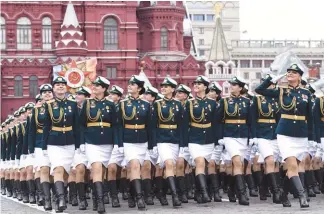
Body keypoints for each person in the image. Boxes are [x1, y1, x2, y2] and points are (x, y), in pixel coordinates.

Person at [255, 63, 311, 208]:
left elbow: (311, 117)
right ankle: (302, 196)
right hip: (284, 133)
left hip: (301, 134)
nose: (290, 74)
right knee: (292, 165)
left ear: (299, 76)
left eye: (293, 72)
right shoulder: (280, 91)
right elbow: (259, 90)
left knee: (293, 169)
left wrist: (312, 138)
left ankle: (284, 194)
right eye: (288, 72)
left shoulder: (307, 93)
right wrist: (271, 80)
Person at [79, 76, 117, 214]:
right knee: (96, 168)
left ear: (104, 89)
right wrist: (82, 142)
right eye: (94, 85)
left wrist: (116, 143)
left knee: (102, 170)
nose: (94, 87)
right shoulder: (87, 103)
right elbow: (81, 124)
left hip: (107, 141)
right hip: (91, 141)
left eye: (97, 85)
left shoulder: (110, 104)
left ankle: (96, 197)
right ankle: (101, 202)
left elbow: (115, 125)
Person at [42, 76, 80, 212]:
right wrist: (44, 146)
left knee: (65, 173)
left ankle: (59, 197)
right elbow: (46, 126)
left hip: (69, 141)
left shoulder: (73, 104)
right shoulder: (48, 105)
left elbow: (77, 126)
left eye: (63, 84)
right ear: (53, 88)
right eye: (57, 85)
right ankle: (61, 198)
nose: (60, 86)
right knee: (57, 169)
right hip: (54, 142)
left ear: (66, 88)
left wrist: (79, 145)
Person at [183, 75, 218, 204]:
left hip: (208, 138)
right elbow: (184, 124)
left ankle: (198, 192)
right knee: (199, 162)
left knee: (204, 165)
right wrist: (184, 142)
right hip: (194, 137)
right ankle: (205, 192)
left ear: (205, 86)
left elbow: (216, 123)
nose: (196, 85)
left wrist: (218, 140)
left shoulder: (212, 103)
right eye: (195, 83)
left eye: (199, 83)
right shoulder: (189, 103)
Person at [117, 75, 151, 210]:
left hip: (142, 140)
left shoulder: (146, 105)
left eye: (133, 84)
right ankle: (139, 197)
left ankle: (131, 194)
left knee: (135, 169)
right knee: (135, 166)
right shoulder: (122, 104)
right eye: (129, 83)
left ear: (139, 88)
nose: (129, 86)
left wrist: (151, 144)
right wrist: (119, 143)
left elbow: (150, 126)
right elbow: (118, 125)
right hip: (128, 140)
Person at [216, 76, 250, 206]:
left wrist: (251, 137)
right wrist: (220, 137)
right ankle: (242, 194)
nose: (232, 86)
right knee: (236, 161)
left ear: (240, 88)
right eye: (231, 84)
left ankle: (231, 189)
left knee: (240, 165)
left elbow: (250, 121)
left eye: (235, 85)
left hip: (243, 135)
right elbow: (218, 120)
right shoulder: (224, 102)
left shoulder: (247, 102)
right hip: (229, 135)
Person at [151, 77, 183, 207]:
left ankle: (161, 192)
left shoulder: (178, 104)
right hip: (162, 139)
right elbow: (153, 126)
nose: (163, 88)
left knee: (169, 168)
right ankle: (175, 196)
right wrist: (153, 143)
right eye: (162, 86)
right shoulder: (157, 104)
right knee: (169, 164)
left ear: (173, 89)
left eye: (166, 86)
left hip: (174, 139)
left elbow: (181, 125)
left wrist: (183, 143)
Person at [251, 78, 281, 204]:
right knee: (269, 161)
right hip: (262, 135)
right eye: (268, 84)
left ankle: (263, 187)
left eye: (272, 84)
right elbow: (252, 119)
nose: (271, 87)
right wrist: (254, 136)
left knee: (274, 164)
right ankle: (276, 192)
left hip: (274, 135)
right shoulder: (257, 99)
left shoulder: (277, 99)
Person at [29, 84, 54, 210]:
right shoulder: (37, 110)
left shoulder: (59, 107)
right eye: (44, 92)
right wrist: (31, 148)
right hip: (40, 143)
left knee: (55, 171)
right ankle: (45, 198)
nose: (47, 94)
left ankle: (58, 195)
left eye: (49, 91)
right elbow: (32, 130)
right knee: (43, 169)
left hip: (57, 142)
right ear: (41, 95)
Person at [72, 86, 92, 210]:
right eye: (77, 94)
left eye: (80, 94)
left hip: (91, 142)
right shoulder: (71, 108)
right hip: (76, 143)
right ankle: (80, 198)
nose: (77, 96)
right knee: (78, 169)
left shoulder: (92, 109)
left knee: (89, 171)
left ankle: (88, 191)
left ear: (86, 97)